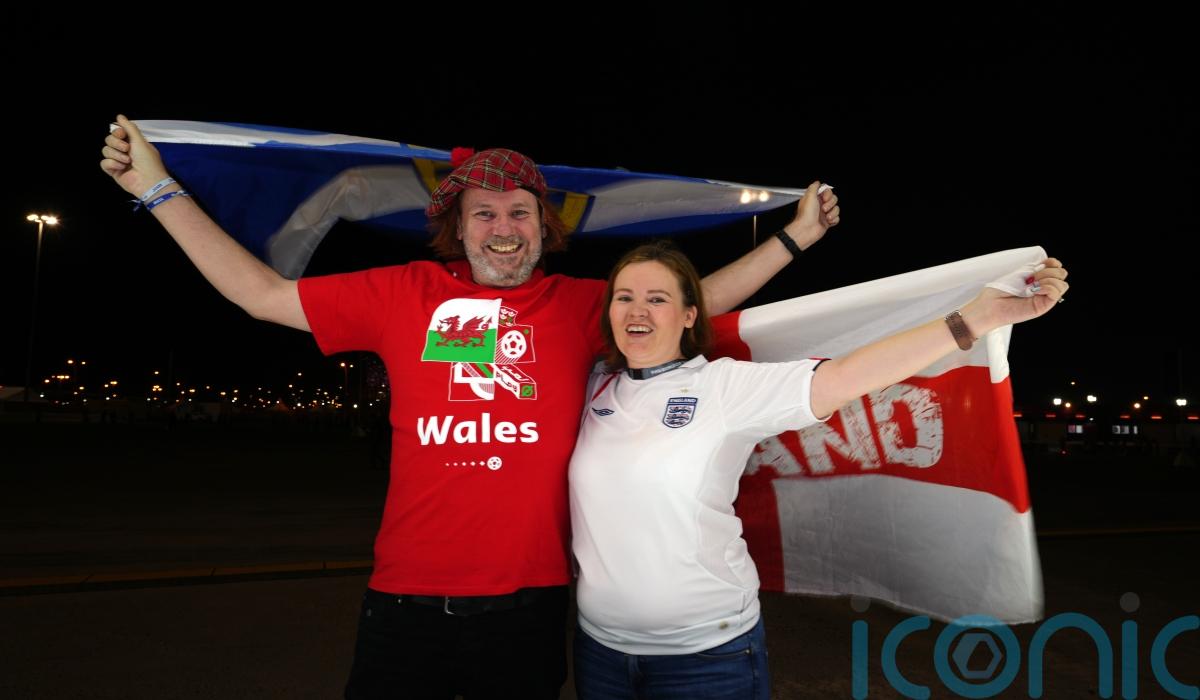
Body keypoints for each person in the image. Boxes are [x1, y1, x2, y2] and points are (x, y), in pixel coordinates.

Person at [100, 115, 840, 699]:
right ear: (457, 228)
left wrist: (795, 237)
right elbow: (260, 295)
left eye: (520, 212)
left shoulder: (579, 306)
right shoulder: (400, 293)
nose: (503, 229)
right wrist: (157, 189)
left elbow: (692, 300)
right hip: (403, 606)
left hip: (528, 609)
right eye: (483, 213)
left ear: (544, 227)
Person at [568, 241, 1068, 699]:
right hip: (600, 653)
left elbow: (843, 376)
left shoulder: (723, 386)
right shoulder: (594, 385)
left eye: (657, 299)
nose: (637, 310)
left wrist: (974, 319)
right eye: (624, 298)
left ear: (689, 315)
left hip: (706, 656)